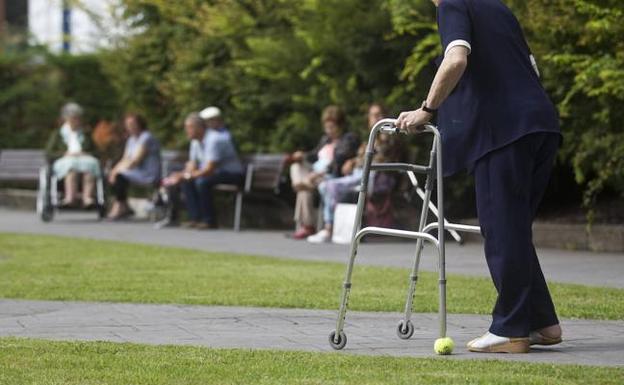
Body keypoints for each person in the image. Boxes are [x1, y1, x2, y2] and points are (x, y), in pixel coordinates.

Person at [396, 0, 563, 353]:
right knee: (513, 228)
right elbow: (530, 68)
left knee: (501, 228)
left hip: (501, 132)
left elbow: (456, 59)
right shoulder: (497, 8)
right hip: (539, 124)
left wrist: (426, 109)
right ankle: (543, 323)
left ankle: (511, 329)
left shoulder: (452, 5)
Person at [307, 103, 403, 243]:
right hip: (362, 174)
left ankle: (329, 228)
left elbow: (378, 160)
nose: (375, 118)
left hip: (377, 177)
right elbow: (363, 158)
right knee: (326, 186)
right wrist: (353, 161)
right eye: (372, 115)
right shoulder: (370, 139)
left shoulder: (391, 138)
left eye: (378, 115)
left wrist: (354, 162)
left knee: (330, 186)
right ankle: (334, 228)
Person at [287, 105, 360, 239]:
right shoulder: (325, 139)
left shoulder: (349, 139)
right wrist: (302, 156)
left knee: (305, 189)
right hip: (315, 174)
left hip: (330, 176)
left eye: (332, 127)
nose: (329, 131)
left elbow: (338, 162)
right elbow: (314, 155)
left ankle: (308, 226)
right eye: (327, 128)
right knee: (296, 167)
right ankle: (303, 183)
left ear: (341, 125)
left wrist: (319, 173)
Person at [172, 109, 244, 229]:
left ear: (200, 128)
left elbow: (209, 169)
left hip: (232, 174)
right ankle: (195, 218)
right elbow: (192, 164)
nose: (186, 131)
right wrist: (182, 175)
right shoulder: (195, 141)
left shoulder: (215, 139)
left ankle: (209, 220)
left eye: (189, 127)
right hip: (214, 174)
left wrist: (187, 175)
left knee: (202, 182)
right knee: (187, 181)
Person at [45, 103, 101, 208]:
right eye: (73, 118)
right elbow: (49, 153)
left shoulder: (86, 133)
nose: (76, 121)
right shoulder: (58, 134)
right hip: (65, 160)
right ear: (66, 118)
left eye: (77, 118)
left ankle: (87, 198)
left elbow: (97, 152)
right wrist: (64, 154)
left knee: (90, 167)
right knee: (71, 169)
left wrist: (85, 153)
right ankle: (70, 198)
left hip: (84, 159)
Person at [107, 113, 161, 220]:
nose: (129, 126)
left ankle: (120, 206)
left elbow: (135, 160)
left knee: (120, 176)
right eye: (127, 124)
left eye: (132, 124)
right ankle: (123, 205)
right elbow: (125, 158)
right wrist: (113, 171)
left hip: (147, 173)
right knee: (113, 176)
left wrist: (118, 172)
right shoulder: (131, 140)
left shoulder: (146, 137)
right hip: (135, 172)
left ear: (139, 124)